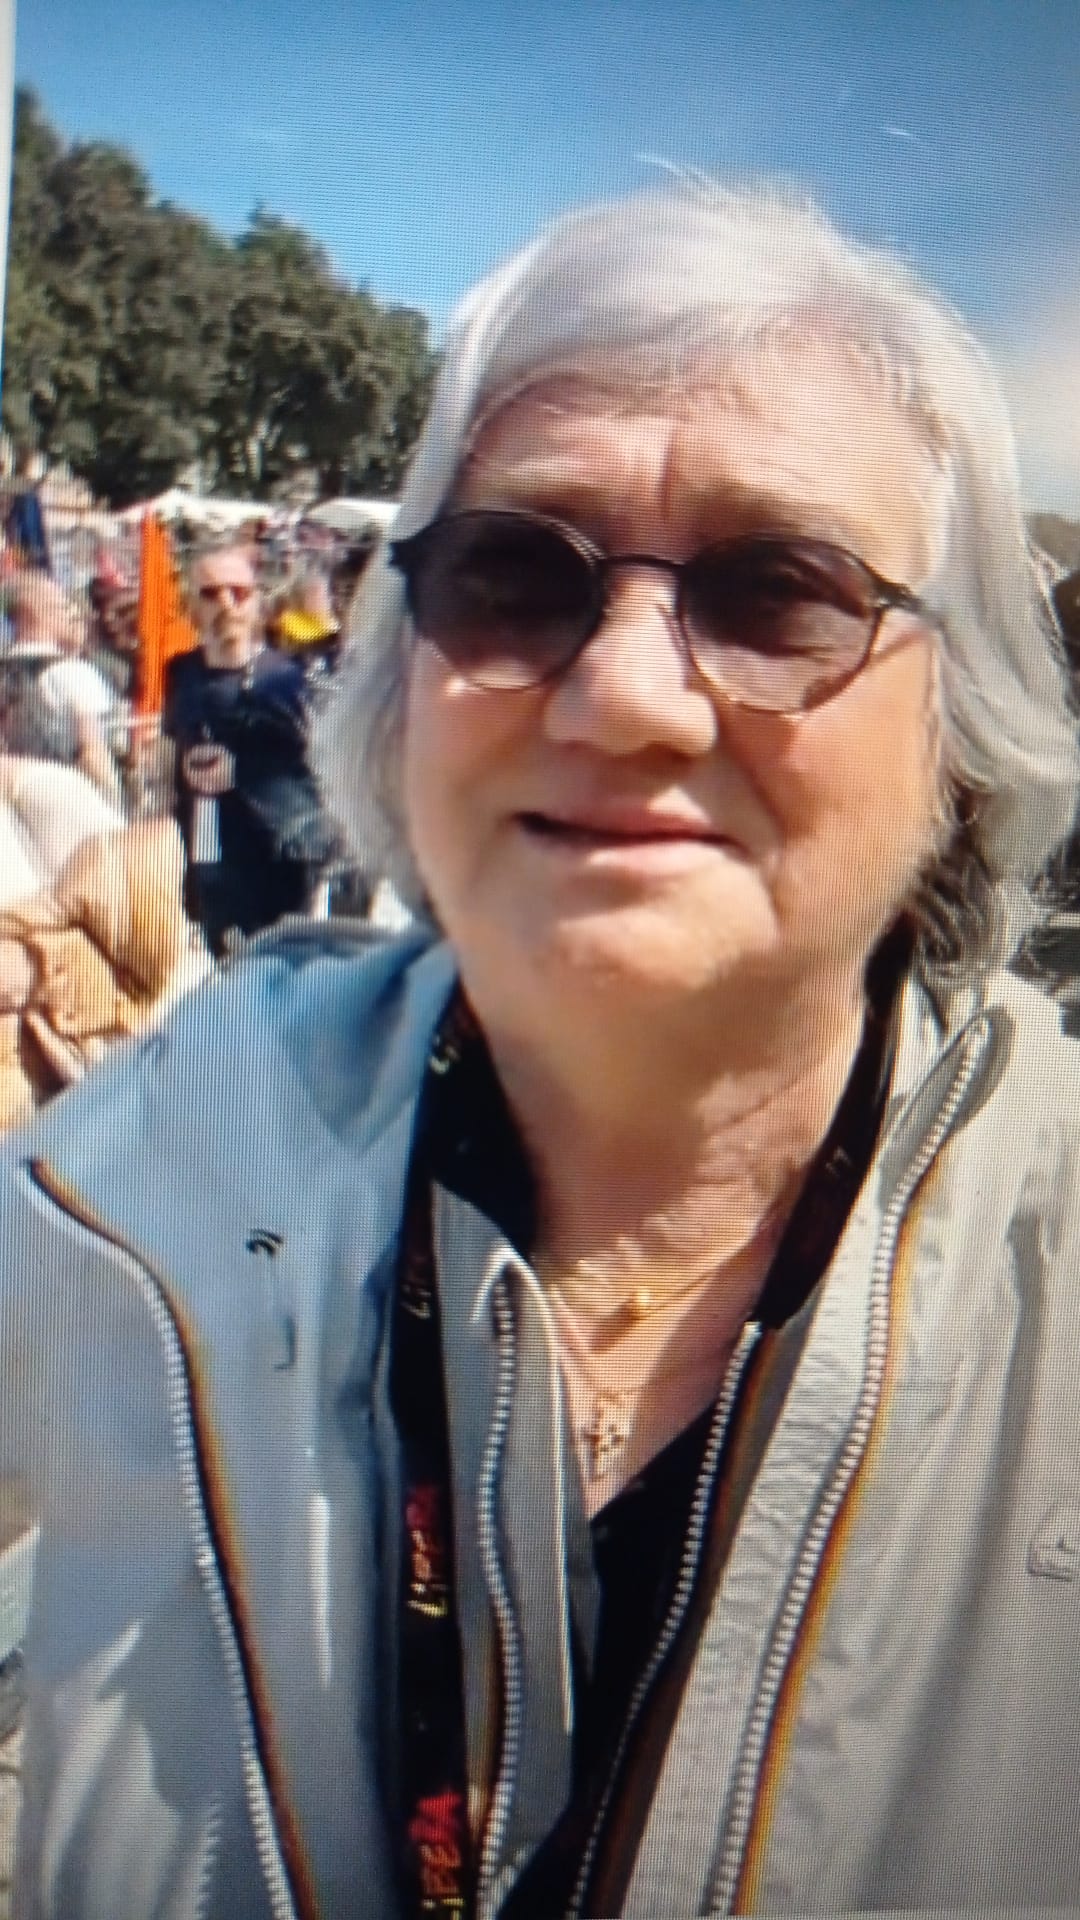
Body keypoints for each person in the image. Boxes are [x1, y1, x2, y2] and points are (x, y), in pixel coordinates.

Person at [3, 181, 1080, 1920]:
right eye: (514, 575)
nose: (625, 695)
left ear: (959, 732)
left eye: (777, 590)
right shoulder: (160, 1145)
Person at [162, 542, 337, 956]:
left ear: (257, 602)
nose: (226, 605)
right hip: (208, 857)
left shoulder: (291, 681)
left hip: (280, 861)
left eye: (238, 593)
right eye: (211, 593)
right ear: (191, 605)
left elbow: (320, 772)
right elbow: (171, 755)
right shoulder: (182, 674)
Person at [0, 573, 123, 802]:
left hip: (17, 802)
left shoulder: (4, 674)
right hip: (74, 800)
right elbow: (92, 751)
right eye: (61, 606)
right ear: (32, 613)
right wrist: (114, 806)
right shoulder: (73, 672)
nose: (68, 614)